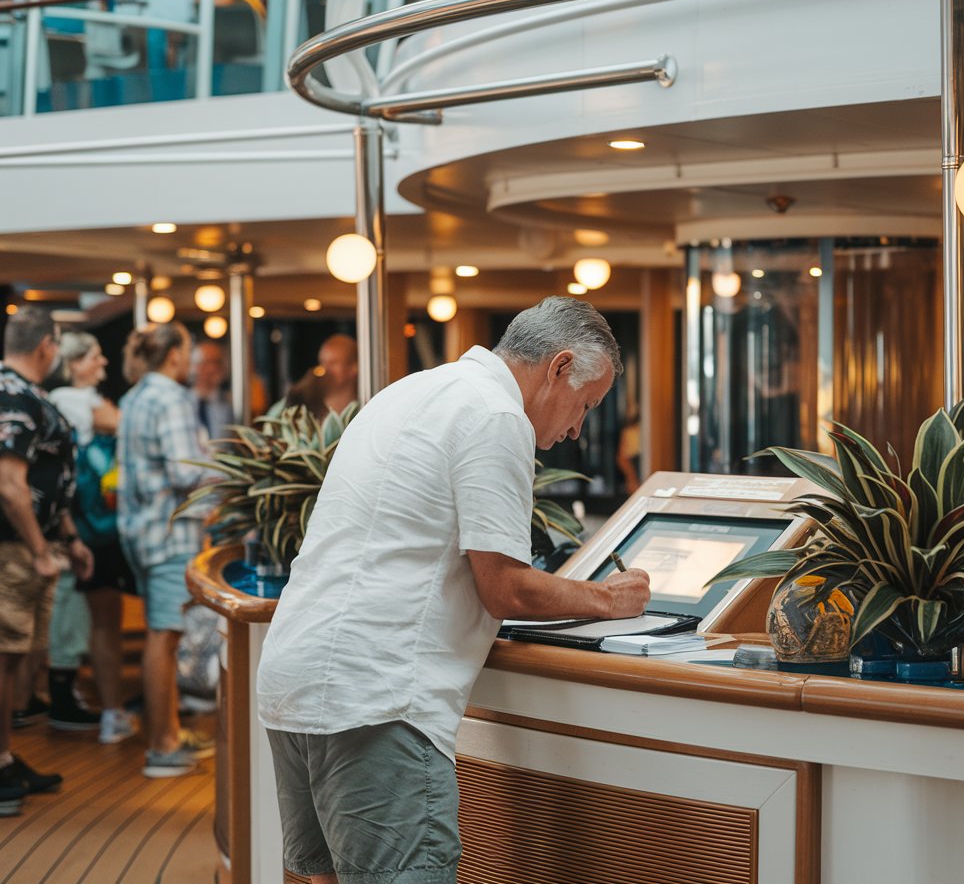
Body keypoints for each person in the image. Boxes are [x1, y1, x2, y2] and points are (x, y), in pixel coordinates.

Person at [257, 297, 651, 884]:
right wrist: (608, 599)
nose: (576, 429)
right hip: (377, 699)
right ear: (560, 366)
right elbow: (505, 589)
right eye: (585, 405)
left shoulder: (412, 390)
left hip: (296, 677)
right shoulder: (495, 415)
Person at [0, 307, 93, 817]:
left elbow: (46, 479)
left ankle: (6, 756)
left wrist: (70, 539)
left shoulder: (28, 394)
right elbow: (10, 485)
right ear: (45, 347)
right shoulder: (13, 394)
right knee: (4, 656)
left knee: (18, 658)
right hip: (13, 551)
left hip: (32, 546)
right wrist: (39, 551)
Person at [117, 323, 215, 778]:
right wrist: (228, 472)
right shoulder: (172, 397)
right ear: (174, 354)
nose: (191, 360)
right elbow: (185, 470)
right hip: (172, 532)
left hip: (141, 531)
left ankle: (169, 731)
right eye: (189, 351)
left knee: (164, 632)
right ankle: (162, 745)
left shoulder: (136, 395)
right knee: (165, 634)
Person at [49, 331, 138, 744]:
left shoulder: (77, 399)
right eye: (96, 358)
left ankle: (111, 707)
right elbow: (121, 423)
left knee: (103, 618)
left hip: (93, 523)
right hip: (94, 527)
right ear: (76, 363)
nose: (103, 364)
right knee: (102, 619)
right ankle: (111, 709)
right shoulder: (70, 398)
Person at [190, 340, 235, 440]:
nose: (212, 368)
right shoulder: (183, 402)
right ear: (193, 367)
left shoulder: (230, 403)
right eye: (206, 362)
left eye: (218, 362)